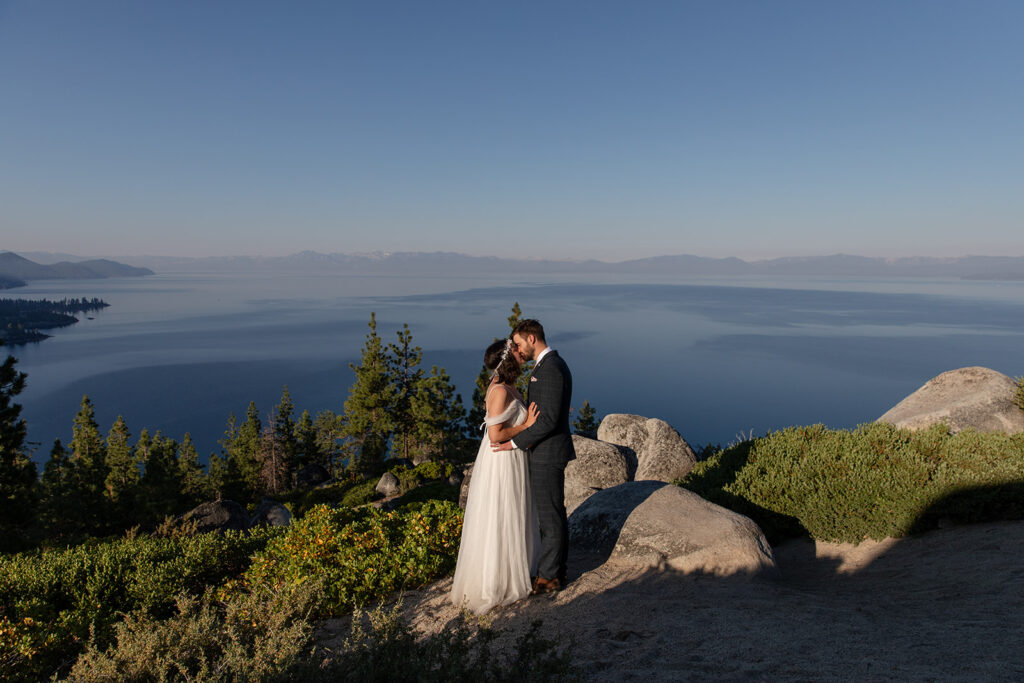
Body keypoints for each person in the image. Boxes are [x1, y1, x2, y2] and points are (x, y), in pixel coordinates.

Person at [449, 338, 541, 614]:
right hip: (502, 460)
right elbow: (495, 435)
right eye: (516, 350)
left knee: (511, 514)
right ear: (509, 359)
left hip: (509, 458)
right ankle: (498, 582)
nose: (521, 351)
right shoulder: (500, 390)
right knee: (503, 515)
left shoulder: (506, 385)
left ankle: (515, 569)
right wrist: (525, 425)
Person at [494, 319, 575, 594]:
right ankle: (556, 569)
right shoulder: (547, 366)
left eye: (517, 344)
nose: (517, 350)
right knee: (553, 513)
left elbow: (548, 420)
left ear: (531, 338)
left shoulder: (551, 368)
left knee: (549, 517)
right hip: (546, 451)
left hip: (549, 453)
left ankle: (548, 578)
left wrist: (515, 443)